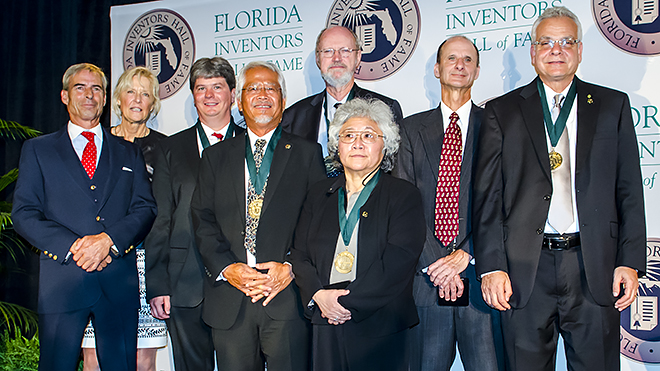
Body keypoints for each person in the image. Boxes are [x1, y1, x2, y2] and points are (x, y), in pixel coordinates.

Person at [472, 6, 646, 371]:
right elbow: (488, 197)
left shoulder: (613, 105)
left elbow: (629, 190)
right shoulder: (501, 111)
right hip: (522, 272)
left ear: (580, 51)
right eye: (546, 42)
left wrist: (629, 261)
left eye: (566, 41)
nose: (556, 50)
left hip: (593, 265)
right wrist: (491, 267)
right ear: (533, 53)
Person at [12, 63, 156, 371]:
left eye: (97, 89)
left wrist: (107, 242)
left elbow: (145, 208)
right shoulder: (38, 150)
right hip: (62, 283)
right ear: (64, 96)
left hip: (118, 281)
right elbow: (24, 214)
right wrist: (77, 247)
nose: (89, 95)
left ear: (105, 99)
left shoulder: (128, 151)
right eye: (80, 87)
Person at [191, 61, 326, 371]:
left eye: (271, 88)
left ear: (283, 100)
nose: (262, 94)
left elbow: (318, 222)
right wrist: (228, 268)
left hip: (285, 297)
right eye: (253, 88)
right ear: (239, 101)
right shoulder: (215, 156)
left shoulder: (307, 154)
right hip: (231, 298)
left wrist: (292, 266)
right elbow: (203, 219)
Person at [290, 98, 425, 371]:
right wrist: (319, 295)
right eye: (348, 135)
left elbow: (398, 262)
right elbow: (300, 256)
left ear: (384, 145)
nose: (358, 143)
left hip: (380, 324)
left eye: (368, 136)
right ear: (337, 146)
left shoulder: (403, 195)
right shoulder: (318, 194)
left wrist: (345, 302)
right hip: (325, 320)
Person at [395, 36, 503, 371]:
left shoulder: (498, 127)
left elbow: (502, 201)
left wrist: (467, 254)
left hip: (481, 276)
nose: (460, 65)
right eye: (452, 59)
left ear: (477, 71)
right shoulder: (410, 129)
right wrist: (437, 264)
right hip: (426, 280)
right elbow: (403, 203)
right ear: (437, 69)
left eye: (468, 60)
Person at [145, 57, 243, 371]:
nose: (210, 95)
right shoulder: (170, 149)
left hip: (238, 280)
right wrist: (158, 284)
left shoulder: (251, 145)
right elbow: (160, 219)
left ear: (232, 93)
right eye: (201, 88)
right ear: (193, 95)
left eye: (218, 87)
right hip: (184, 284)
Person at [81, 66, 167, 371]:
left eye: (145, 93)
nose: (137, 99)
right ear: (117, 99)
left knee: (143, 361)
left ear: (153, 103)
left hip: (145, 263)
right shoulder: (95, 143)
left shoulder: (166, 149)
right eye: (131, 91)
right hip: (99, 260)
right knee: (93, 356)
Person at [281, 26, 403, 174]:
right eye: (328, 51)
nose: (337, 58)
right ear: (318, 59)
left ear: (358, 57)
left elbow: (393, 169)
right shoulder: (293, 116)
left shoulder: (386, 108)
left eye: (345, 50)